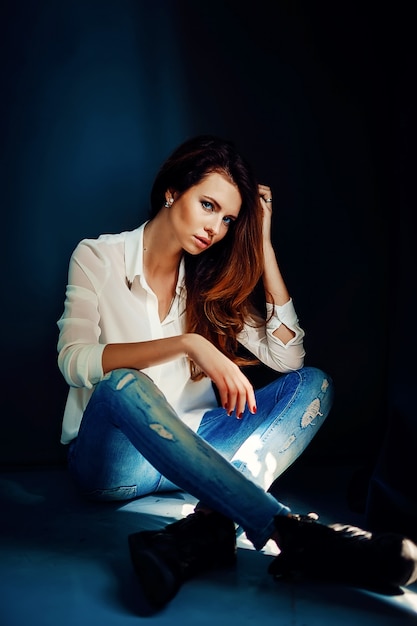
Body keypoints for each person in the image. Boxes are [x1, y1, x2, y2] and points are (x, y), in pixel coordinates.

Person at [57, 135, 417, 609]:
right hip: (115, 461)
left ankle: (205, 524)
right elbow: (73, 359)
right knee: (123, 383)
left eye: (227, 219)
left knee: (314, 385)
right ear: (172, 191)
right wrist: (190, 344)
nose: (216, 228)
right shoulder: (97, 257)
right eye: (208, 206)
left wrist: (263, 242)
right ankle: (288, 532)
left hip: (201, 444)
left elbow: (290, 359)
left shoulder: (207, 281)